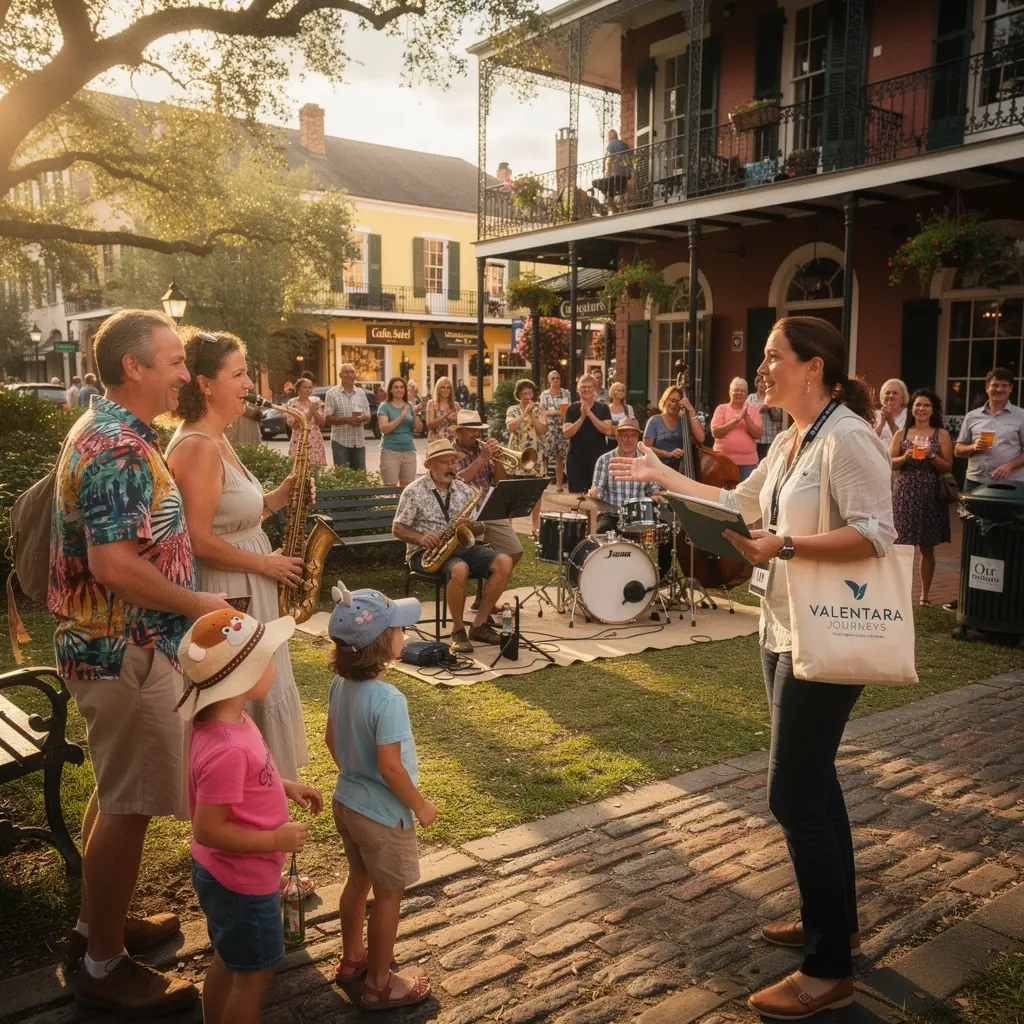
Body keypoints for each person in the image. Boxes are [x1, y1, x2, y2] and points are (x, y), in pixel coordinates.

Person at [611, 316, 895, 1020]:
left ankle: (828, 972)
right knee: (815, 784)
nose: (762, 368)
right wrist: (662, 473)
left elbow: (876, 535)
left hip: (826, 635)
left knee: (791, 795)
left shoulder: (849, 437)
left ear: (813, 367)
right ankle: (834, 920)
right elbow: (737, 500)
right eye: (764, 357)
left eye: (773, 357)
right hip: (780, 629)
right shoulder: (796, 437)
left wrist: (788, 547)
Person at [49, 309, 230, 1015]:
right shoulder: (118, 445)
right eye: (176, 359)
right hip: (127, 649)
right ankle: (102, 965)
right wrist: (197, 607)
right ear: (135, 367)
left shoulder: (109, 431)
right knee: (129, 805)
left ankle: (100, 923)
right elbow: (115, 565)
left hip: (114, 647)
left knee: (114, 789)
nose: (185, 373)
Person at [166, 329, 309, 783]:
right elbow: (198, 539)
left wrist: (278, 498)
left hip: (249, 586)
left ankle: (266, 797)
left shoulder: (218, 439)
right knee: (242, 704)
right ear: (205, 384)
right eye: (240, 374)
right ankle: (250, 811)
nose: (250, 384)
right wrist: (266, 564)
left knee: (259, 692)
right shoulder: (197, 447)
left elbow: (232, 518)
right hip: (230, 593)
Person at [179, 610, 322, 1024]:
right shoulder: (226, 748)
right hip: (241, 883)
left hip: (231, 876)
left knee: (230, 961)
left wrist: (286, 786)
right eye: (268, 658)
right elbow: (208, 829)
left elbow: (252, 779)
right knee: (255, 976)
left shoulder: (233, 722)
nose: (274, 666)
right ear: (241, 677)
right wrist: (274, 841)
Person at [325, 584, 434, 1010]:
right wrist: (421, 805)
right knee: (388, 896)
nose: (405, 633)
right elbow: (391, 768)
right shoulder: (389, 699)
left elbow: (332, 739)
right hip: (384, 817)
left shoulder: (340, 686)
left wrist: (355, 775)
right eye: (399, 628)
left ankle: (353, 958)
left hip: (347, 802)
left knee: (358, 880)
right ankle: (379, 983)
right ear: (380, 643)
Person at [392, 439, 514, 654]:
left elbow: (479, 527)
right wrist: (420, 538)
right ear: (430, 464)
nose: (451, 466)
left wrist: (471, 525)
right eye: (444, 462)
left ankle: (479, 625)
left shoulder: (464, 489)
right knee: (459, 568)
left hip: (460, 547)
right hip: (425, 553)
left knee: (504, 561)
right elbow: (397, 528)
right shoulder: (413, 491)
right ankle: (458, 631)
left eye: (453, 462)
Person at [945, 367, 1024, 612]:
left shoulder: (1020, 416)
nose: (999, 389)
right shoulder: (972, 417)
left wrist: (1009, 466)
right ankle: (968, 596)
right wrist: (973, 448)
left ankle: (1006, 599)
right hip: (975, 484)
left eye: (1004, 385)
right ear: (987, 387)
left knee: (1006, 540)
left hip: (1009, 488)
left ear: (1010, 389)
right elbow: (958, 450)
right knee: (972, 540)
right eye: (994, 384)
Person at [889, 388, 952, 606]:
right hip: (904, 492)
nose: (921, 409)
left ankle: (924, 595)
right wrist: (905, 457)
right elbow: (890, 462)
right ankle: (899, 593)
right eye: (917, 405)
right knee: (900, 546)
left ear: (933, 410)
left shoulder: (940, 434)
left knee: (927, 546)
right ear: (911, 408)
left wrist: (932, 455)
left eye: (926, 405)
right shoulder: (902, 434)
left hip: (929, 493)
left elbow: (948, 466)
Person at [588, 417, 672, 577]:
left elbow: (652, 488)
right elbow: (597, 488)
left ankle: (662, 580)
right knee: (601, 531)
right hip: (611, 513)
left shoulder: (646, 461)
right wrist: (594, 494)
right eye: (624, 435)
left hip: (637, 515)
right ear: (617, 437)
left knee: (666, 531)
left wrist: (656, 495)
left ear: (637, 438)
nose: (628, 439)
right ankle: (602, 576)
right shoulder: (604, 460)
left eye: (632, 435)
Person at [454, 409, 524, 569]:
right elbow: (458, 481)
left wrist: (498, 461)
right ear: (459, 431)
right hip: (464, 514)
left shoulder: (482, 450)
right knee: (476, 559)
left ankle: (492, 585)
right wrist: (483, 458)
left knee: (515, 550)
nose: (477, 434)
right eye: (472, 430)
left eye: (479, 430)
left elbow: (500, 482)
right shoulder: (452, 452)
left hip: (487, 510)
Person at [505, 378, 548, 537]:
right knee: (513, 491)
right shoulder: (512, 409)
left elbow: (543, 430)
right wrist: (524, 413)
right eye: (524, 393)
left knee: (536, 492)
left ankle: (535, 525)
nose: (527, 396)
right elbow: (511, 427)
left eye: (530, 393)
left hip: (535, 455)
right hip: (517, 456)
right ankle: (510, 526)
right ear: (519, 395)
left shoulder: (539, 409)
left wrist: (532, 414)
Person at [563, 374, 613, 493]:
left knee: (596, 495)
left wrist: (590, 414)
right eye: (583, 387)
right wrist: (581, 418)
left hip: (597, 458)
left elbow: (607, 430)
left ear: (594, 388)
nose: (586, 390)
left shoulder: (603, 408)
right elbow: (566, 433)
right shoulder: (571, 409)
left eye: (589, 387)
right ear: (578, 390)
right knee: (576, 496)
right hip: (576, 458)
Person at [711, 377, 763, 481]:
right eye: (736, 390)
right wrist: (736, 420)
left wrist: (746, 418)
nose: (739, 393)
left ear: (747, 393)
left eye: (742, 391)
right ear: (730, 392)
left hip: (748, 463)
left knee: (745, 495)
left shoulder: (753, 410)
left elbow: (758, 434)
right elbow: (716, 433)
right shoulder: (721, 408)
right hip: (723, 461)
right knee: (722, 493)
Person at [643, 384, 705, 469]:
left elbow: (701, 438)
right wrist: (668, 454)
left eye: (678, 402)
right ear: (665, 400)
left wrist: (691, 410)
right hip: (657, 468)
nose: (674, 404)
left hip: (680, 469)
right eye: (672, 400)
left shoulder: (684, 422)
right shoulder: (654, 421)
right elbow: (646, 448)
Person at [324, 363, 370, 470]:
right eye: (346, 372)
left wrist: (363, 418)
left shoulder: (361, 393)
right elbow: (328, 418)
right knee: (342, 478)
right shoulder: (332, 393)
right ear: (340, 375)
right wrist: (348, 420)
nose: (350, 375)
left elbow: (368, 416)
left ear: (355, 375)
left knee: (360, 478)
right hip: (340, 442)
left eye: (352, 372)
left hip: (359, 442)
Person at [378, 376, 420, 486]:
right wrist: (402, 416)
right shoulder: (384, 407)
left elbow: (419, 428)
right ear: (390, 390)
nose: (399, 389)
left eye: (402, 387)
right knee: (390, 488)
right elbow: (384, 429)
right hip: (390, 452)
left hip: (409, 451)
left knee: (406, 490)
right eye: (396, 387)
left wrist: (414, 412)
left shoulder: (408, 406)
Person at [285, 378, 327, 473]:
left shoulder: (314, 402)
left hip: (315, 440)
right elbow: (294, 425)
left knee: (315, 472)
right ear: (298, 389)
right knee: (299, 471)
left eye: (310, 387)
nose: (307, 390)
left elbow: (322, 423)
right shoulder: (292, 403)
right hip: (299, 440)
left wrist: (315, 412)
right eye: (305, 387)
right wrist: (310, 411)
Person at [539, 370, 570, 491]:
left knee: (560, 458)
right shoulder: (544, 395)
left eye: (558, 378)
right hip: (549, 428)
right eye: (553, 378)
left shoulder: (565, 393)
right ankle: (543, 480)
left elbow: (564, 412)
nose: (556, 380)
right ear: (549, 381)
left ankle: (559, 484)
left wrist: (551, 412)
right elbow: (542, 412)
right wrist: (556, 412)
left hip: (562, 429)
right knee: (545, 455)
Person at [591, 129, 632, 211]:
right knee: (609, 185)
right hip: (624, 178)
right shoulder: (625, 145)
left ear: (609, 137)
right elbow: (631, 161)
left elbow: (608, 161)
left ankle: (609, 200)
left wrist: (606, 174)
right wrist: (628, 174)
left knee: (595, 183)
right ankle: (610, 199)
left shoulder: (611, 145)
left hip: (614, 177)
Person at [747, 373, 783, 461]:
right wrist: (759, 410)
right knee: (755, 460)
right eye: (760, 382)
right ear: (756, 384)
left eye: (764, 382)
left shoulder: (772, 397)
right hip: (755, 435)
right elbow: (746, 414)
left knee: (767, 460)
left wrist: (770, 409)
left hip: (769, 435)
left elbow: (778, 417)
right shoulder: (751, 397)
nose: (762, 384)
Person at [873, 378, 909, 444]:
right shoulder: (874, 415)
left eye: (895, 393)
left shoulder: (909, 415)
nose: (891, 396)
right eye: (887, 393)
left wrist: (890, 421)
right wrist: (881, 425)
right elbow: (869, 440)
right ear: (882, 397)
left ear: (902, 397)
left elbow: (903, 441)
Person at [425, 376, 460, 443]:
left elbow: (460, 426)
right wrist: (445, 416)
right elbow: (430, 425)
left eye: (448, 388)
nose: (446, 390)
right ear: (438, 389)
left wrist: (455, 419)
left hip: (453, 442)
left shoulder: (456, 405)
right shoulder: (432, 404)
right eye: (443, 387)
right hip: (436, 442)